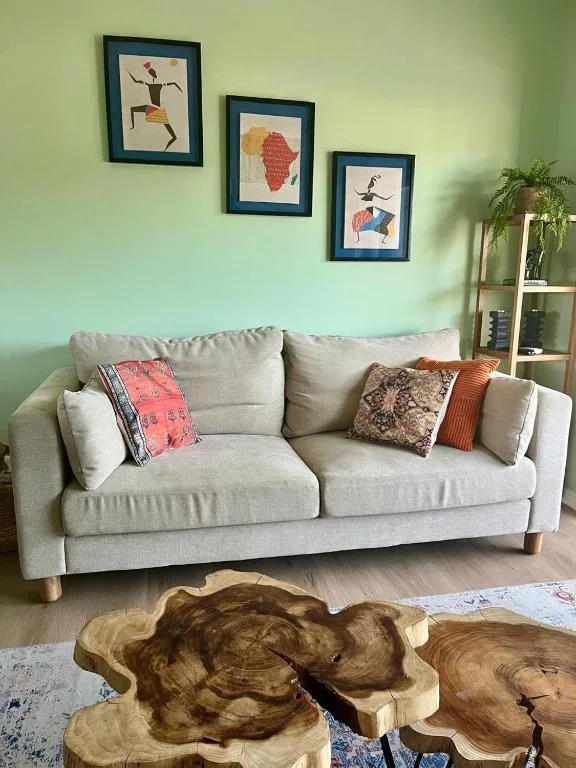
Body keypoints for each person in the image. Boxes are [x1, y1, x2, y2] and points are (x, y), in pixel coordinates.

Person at [127, 62, 183, 151]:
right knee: (173, 135)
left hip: (155, 109)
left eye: (153, 73)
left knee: (173, 135)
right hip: (155, 109)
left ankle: (133, 126)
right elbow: (173, 83)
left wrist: (128, 71)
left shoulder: (151, 85)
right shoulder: (157, 85)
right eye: (153, 73)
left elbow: (135, 81)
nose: (154, 75)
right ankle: (133, 126)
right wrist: (180, 90)